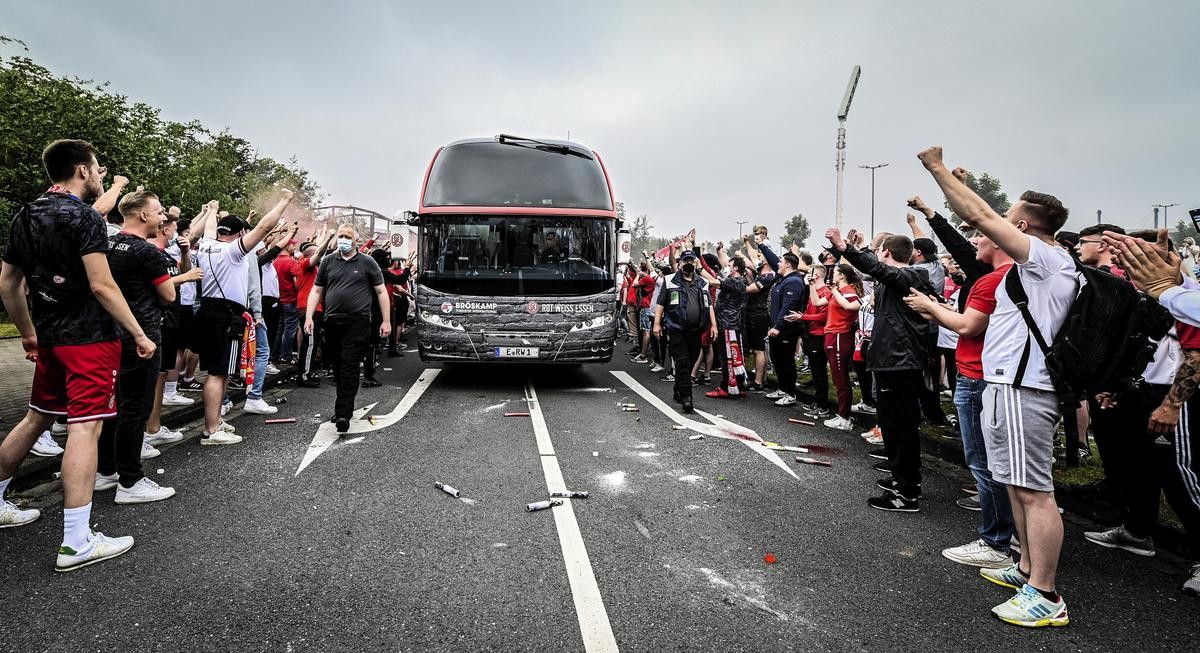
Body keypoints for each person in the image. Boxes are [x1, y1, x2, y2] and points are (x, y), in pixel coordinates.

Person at [921, 145, 1075, 627]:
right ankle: (1024, 567)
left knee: (1036, 491)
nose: (995, 224)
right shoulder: (1026, 266)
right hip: (1004, 383)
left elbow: (980, 214)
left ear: (1024, 228)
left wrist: (937, 170)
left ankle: (1046, 594)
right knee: (1013, 482)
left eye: (1009, 219)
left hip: (1027, 386)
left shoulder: (1046, 260)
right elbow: (979, 220)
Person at [0, 139, 156, 570]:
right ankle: (75, 542)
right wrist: (139, 334)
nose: (99, 175)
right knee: (85, 429)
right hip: (90, 339)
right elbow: (103, 286)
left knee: (36, 417)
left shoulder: (26, 214)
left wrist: (28, 333)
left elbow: (9, 284)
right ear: (83, 170)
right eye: (97, 169)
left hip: (49, 337)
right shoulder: (85, 218)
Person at [905, 231, 1017, 569]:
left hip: (978, 375)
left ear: (999, 241)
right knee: (1002, 463)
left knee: (984, 461)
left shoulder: (990, 281)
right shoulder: (1018, 277)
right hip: (995, 374)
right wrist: (938, 310)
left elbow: (968, 327)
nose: (974, 244)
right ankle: (1011, 535)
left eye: (980, 237)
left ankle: (996, 541)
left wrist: (929, 306)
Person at [1102, 228, 1200, 595]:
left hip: (1176, 398)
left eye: (1134, 255)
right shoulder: (1151, 295)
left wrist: (1172, 405)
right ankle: (1138, 531)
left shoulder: (1181, 297)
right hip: (1146, 391)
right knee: (1146, 470)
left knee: (1183, 476)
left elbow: (1195, 355)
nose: (1124, 262)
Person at [829, 227, 935, 513]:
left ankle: (907, 492)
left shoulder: (910, 276)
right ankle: (901, 480)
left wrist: (847, 249)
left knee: (902, 426)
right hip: (891, 360)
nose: (876, 255)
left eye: (879, 251)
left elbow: (878, 270)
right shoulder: (895, 280)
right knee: (891, 424)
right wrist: (861, 249)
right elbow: (873, 273)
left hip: (900, 362)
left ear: (887, 253)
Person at [95, 190, 180, 504]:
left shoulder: (109, 244)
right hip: (142, 336)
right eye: (159, 213)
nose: (163, 219)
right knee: (136, 409)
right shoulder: (148, 252)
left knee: (114, 406)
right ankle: (130, 481)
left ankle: (106, 471)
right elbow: (169, 295)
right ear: (143, 215)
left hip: (111, 333)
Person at [193, 190, 294, 444]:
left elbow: (208, 229)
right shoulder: (233, 252)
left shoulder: (206, 245)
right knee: (217, 373)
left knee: (222, 372)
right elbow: (264, 226)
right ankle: (211, 430)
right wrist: (283, 202)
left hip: (207, 310)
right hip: (226, 315)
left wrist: (213, 210)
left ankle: (216, 420)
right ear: (239, 234)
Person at [305, 225, 391, 433]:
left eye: (347, 237)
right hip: (332, 321)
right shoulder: (328, 261)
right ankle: (343, 406)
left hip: (358, 321)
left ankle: (343, 413)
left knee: (350, 364)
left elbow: (381, 292)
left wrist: (386, 320)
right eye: (341, 236)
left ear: (356, 240)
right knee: (337, 365)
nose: (343, 239)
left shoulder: (367, 262)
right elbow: (316, 289)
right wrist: (309, 317)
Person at [143, 212, 202, 447]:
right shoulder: (150, 253)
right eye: (175, 229)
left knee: (162, 373)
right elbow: (159, 285)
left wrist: (186, 253)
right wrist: (185, 277)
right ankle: (150, 428)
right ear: (165, 230)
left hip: (169, 319)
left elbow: (183, 273)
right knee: (155, 376)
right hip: (157, 321)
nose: (177, 234)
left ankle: (154, 426)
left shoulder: (166, 255)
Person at [653, 250, 717, 413]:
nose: (688, 263)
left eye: (691, 260)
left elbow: (709, 305)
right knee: (682, 362)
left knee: (690, 362)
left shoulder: (703, 282)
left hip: (696, 331)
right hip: (676, 329)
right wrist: (657, 324)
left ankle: (678, 387)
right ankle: (687, 398)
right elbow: (661, 303)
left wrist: (714, 325)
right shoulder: (670, 280)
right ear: (680, 263)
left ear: (696, 263)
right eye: (685, 260)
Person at [702, 246, 748, 398]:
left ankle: (727, 387)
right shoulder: (737, 280)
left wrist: (698, 268)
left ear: (735, 268)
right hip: (731, 324)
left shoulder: (735, 282)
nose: (727, 267)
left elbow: (714, 281)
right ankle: (738, 386)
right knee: (734, 357)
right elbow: (721, 268)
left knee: (727, 357)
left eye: (730, 265)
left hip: (728, 325)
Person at [764, 248, 807, 407]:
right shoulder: (783, 279)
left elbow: (788, 306)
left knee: (786, 361)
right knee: (777, 359)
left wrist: (778, 326)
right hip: (776, 327)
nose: (778, 263)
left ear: (788, 265)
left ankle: (790, 393)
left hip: (786, 329)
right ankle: (782, 389)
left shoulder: (794, 281)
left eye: (781, 261)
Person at [822, 264, 862, 431]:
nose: (833, 276)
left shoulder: (849, 292)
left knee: (841, 378)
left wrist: (834, 290)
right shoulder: (839, 292)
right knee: (837, 378)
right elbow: (818, 302)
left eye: (836, 273)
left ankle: (845, 418)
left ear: (842, 276)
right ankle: (842, 414)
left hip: (840, 335)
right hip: (831, 333)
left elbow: (851, 306)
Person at [792, 264, 832, 418]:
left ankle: (823, 405)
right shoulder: (814, 290)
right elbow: (811, 310)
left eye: (810, 272)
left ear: (817, 276)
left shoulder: (826, 292)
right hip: (810, 333)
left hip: (819, 334)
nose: (808, 275)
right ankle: (818, 402)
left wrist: (802, 317)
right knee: (815, 371)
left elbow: (823, 316)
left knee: (819, 371)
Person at [295, 230, 334, 386]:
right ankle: (304, 375)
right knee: (310, 343)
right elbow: (319, 253)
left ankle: (307, 372)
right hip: (308, 308)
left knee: (312, 341)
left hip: (312, 308)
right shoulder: (305, 264)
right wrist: (329, 237)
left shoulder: (314, 268)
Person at [273, 235, 300, 363]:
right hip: (291, 300)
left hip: (279, 300)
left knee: (280, 328)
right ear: (287, 246)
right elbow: (296, 283)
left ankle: (276, 354)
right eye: (293, 245)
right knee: (290, 329)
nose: (294, 247)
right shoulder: (291, 261)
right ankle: (286, 355)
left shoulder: (274, 261)